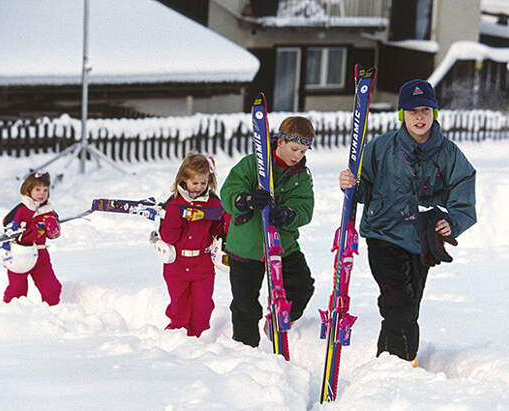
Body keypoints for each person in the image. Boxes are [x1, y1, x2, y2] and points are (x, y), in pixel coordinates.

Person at [339, 79, 476, 365]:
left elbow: (464, 191)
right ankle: (395, 366)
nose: (419, 117)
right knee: (398, 302)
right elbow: (364, 190)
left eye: (425, 109)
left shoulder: (448, 153)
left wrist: (454, 221)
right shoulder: (380, 147)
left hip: (421, 239)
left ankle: (394, 363)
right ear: (403, 113)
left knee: (407, 306)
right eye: (412, 110)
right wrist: (350, 184)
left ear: (434, 112)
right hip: (383, 234)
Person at [220, 116, 316, 348]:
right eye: (294, 149)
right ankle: (246, 349)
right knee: (245, 303)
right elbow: (228, 193)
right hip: (247, 245)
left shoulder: (301, 175)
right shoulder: (252, 164)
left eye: (303, 151)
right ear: (280, 142)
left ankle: (279, 320)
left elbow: (305, 208)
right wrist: (246, 200)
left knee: (302, 286)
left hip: (282, 245)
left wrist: (288, 214)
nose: (298, 156)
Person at [156, 153, 225, 337]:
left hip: (202, 264)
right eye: (195, 183)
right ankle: (176, 337)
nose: (199, 187)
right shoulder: (174, 204)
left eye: (203, 183)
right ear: (183, 180)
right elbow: (168, 237)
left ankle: (199, 339)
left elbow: (220, 228)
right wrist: (176, 216)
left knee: (203, 305)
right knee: (179, 305)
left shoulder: (213, 203)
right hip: (177, 264)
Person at [3, 170, 62, 305]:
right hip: (20, 255)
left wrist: (52, 226)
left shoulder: (49, 211)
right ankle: (11, 314)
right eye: (38, 189)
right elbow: (9, 227)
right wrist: (28, 230)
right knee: (17, 291)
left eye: (45, 190)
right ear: (28, 190)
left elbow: (54, 234)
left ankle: (53, 311)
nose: (42, 193)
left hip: (41, 255)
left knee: (51, 288)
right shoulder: (21, 209)